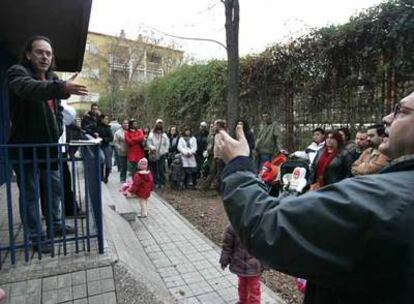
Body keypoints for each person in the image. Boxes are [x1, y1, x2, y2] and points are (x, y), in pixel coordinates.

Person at [216, 92, 414, 303]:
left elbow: (266, 226)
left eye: (400, 111)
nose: (387, 119)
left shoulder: (378, 199)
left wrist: (237, 164)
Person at [7, 36, 86, 252]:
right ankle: (35, 237)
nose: (45, 57)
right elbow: (30, 89)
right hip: (25, 146)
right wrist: (61, 86)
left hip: (49, 146)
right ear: (28, 54)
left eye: (49, 53)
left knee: (54, 189)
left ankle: (56, 226)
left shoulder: (52, 78)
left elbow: (58, 110)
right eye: (40, 52)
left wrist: (57, 128)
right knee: (31, 194)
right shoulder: (17, 73)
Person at [220, 224, 264, 304]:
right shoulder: (233, 226)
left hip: (253, 267)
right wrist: (224, 260)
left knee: (254, 288)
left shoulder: (259, 226)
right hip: (241, 264)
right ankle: (243, 301)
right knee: (243, 285)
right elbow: (227, 246)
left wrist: (266, 263)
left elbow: (265, 247)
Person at [147, 119, 169, 188]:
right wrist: (152, 147)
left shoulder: (164, 134)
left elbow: (167, 144)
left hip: (161, 154)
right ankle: (156, 182)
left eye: (161, 124)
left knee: (161, 169)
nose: (159, 125)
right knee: (154, 169)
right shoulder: (151, 134)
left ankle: (162, 182)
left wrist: (165, 151)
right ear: (156, 124)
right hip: (154, 153)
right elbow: (149, 143)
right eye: (158, 124)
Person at [94, 114, 113, 183]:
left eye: (107, 119)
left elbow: (111, 137)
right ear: (101, 119)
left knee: (108, 164)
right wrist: (95, 135)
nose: (107, 120)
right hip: (99, 146)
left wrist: (103, 139)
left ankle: (106, 177)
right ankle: (101, 176)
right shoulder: (97, 127)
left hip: (106, 146)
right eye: (105, 119)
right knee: (101, 160)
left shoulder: (108, 128)